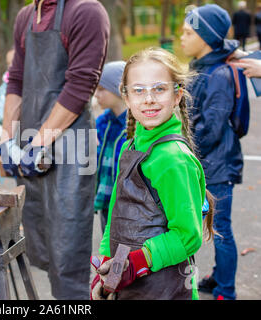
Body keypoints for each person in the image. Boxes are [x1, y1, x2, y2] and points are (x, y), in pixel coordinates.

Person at [0, 0, 110, 299]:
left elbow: (81, 84)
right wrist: (8, 139)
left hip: (72, 151)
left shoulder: (86, 12)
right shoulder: (25, 16)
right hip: (33, 147)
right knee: (43, 245)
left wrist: (37, 144)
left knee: (68, 253)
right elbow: (16, 80)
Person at [91, 47, 214, 300]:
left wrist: (136, 262)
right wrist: (105, 268)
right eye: (138, 90)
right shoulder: (129, 145)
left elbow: (188, 237)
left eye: (159, 88)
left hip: (166, 290)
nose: (148, 99)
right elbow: (114, 216)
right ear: (125, 97)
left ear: (177, 94)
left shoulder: (173, 158)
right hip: (128, 286)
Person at [182, 4, 243, 300]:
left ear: (205, 38)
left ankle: (226, 290)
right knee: (211, 225)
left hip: (217, 167)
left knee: (220, 230)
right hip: (207, 164)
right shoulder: (202, 68)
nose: (181, 37)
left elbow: (210, 129)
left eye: (188, 32)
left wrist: (184, 152)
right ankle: (218, 276)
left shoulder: (218, 74)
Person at [94, 61, 127, 235]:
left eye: (101, 89)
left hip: (127, 205)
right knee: (109, 247)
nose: (96, 95)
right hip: (106, 200)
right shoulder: (102, 122)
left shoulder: (136, 126)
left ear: (118, 89)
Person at [0, 49, 15, 125]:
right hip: (13, 127)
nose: (11, 66)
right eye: (8, 63)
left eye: (14, 62)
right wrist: (8, 121)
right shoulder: (5, 86)